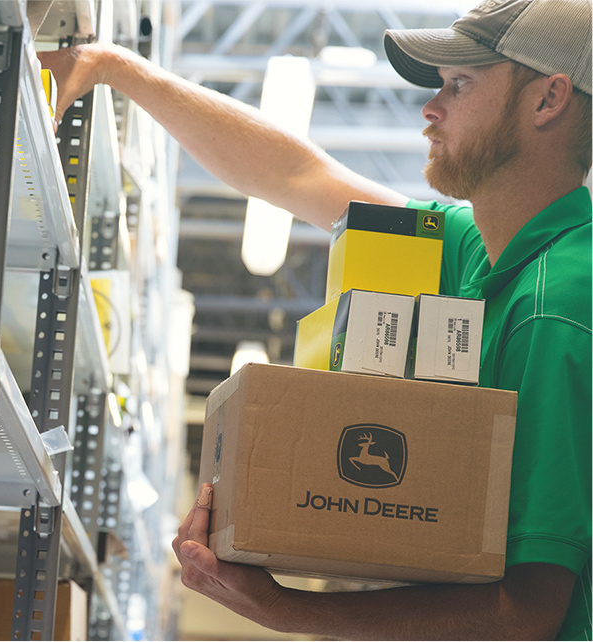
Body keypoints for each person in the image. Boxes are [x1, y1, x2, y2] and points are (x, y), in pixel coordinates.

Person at [40, 0, 591, 638]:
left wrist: (284, 609)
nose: (430, 109)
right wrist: (115, 69)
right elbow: (299, 174)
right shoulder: (485, 250)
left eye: (459, 84)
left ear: (548, 100)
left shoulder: (559, 308)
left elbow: (528, 615)